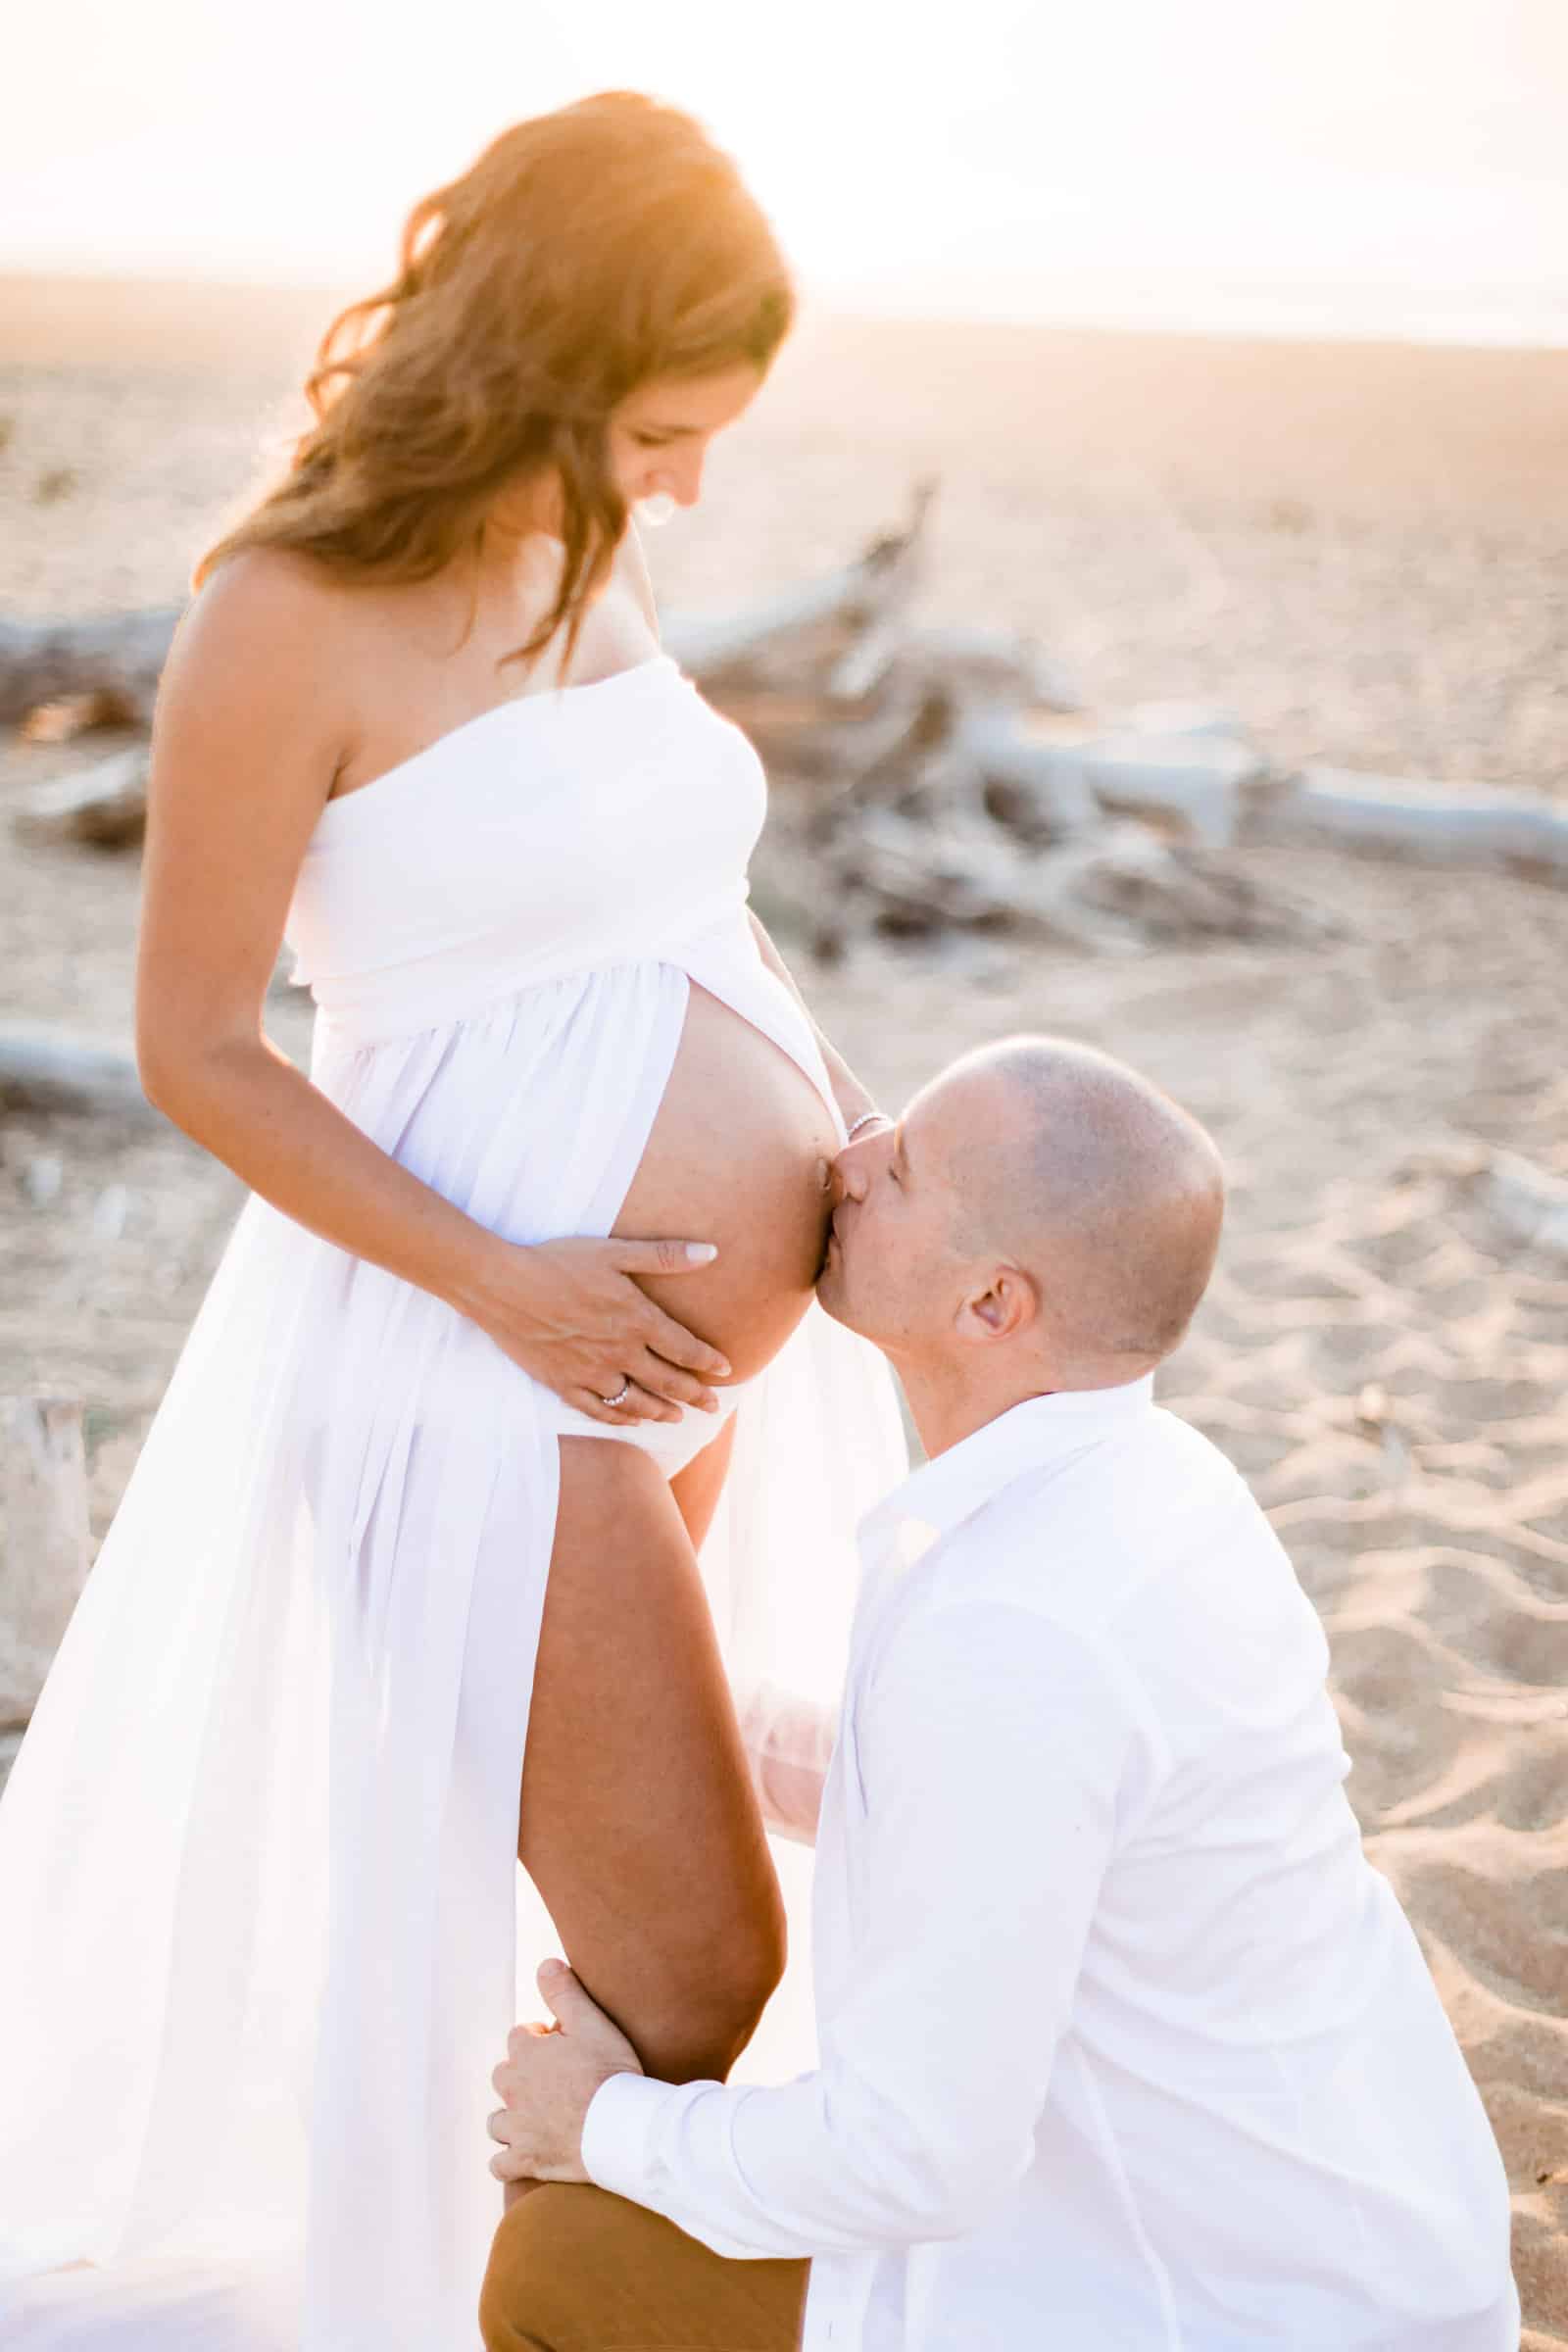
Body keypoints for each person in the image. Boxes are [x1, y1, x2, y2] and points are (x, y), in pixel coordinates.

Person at [0, 93, 907, 2349]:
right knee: (703, 1965)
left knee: (630, 1937)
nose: (692, 481)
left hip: (640, 1372)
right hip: (482, 1371)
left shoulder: (583, 550)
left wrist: (847, 1137)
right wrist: (506, 1284)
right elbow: (199, 1048)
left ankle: (553, 2287)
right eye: (669, 426)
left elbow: (663, 900)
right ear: (541, 356)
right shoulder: (283, 616)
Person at [483, 1037, 1521, 2352]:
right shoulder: (1155, 1484)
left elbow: (921, 2163)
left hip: (1217, 2308)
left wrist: (599, 2121)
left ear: (992, 1305)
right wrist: (671, 1716)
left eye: (900, 1166)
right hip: (1362, 2257)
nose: (843, 1162)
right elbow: (966, 1796)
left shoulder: (1015, 1631)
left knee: (559, 2265)